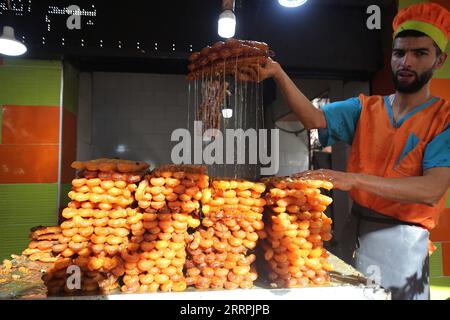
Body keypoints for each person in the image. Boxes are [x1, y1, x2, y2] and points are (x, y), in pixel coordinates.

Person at [241, 2, 450, 300]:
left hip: (403, 239)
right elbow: (314, 119)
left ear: (439, 60)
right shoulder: (368, 108)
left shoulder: (443, 118)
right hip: (356, 228)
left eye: (420, 53)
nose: (407, 62)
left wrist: (351, 179)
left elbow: (432, 188)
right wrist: (277, 73)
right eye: (399, 52)